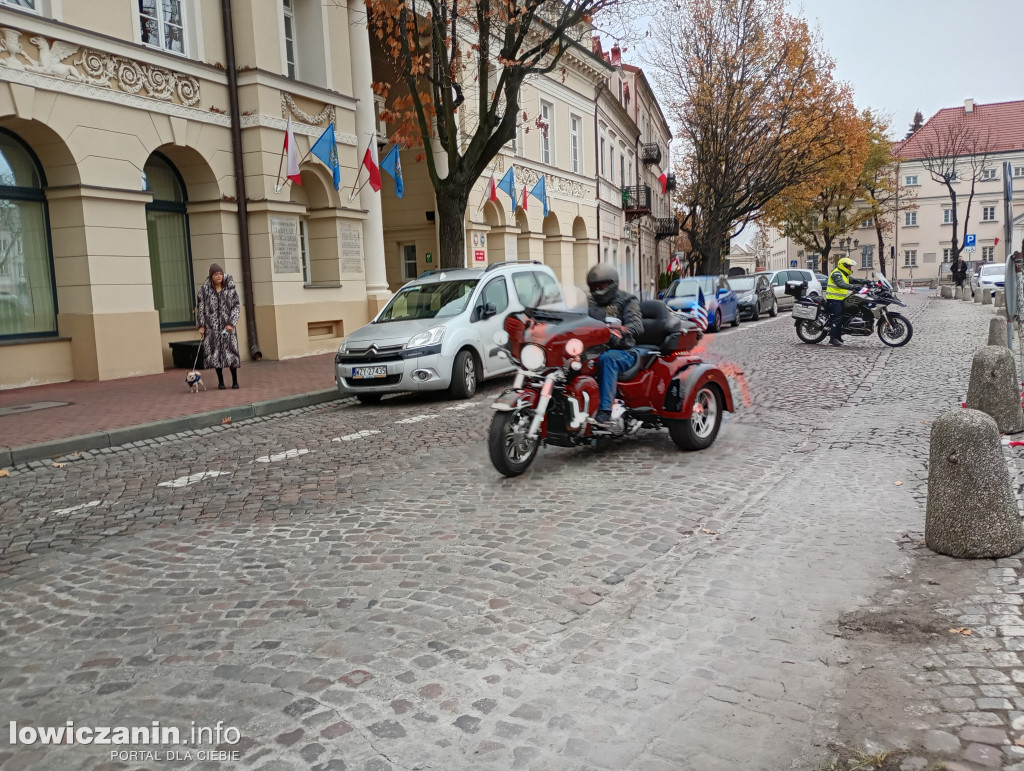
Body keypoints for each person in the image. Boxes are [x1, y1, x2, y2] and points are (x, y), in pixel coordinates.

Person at [586, 264, 644, 427]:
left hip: (623, 351)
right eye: (594, 287)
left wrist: (622, 330)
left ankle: (605, 410)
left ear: (612, 284)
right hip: (594, 350)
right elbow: (575, 317)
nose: (597, 289)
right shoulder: (588, 302)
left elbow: (637, 325)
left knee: (608, 359)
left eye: (601, 286)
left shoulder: (627, 300)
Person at [196, 263, 241, 389]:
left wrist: (231, 323)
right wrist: (201, 325)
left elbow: (236, 307)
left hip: (228, 328)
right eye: (216, 274)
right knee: (215, 355)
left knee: (231, 354)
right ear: (211, 276)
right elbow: (201, 309)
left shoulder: (230, 290)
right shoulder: (204, 291)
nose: (219, 276)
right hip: (212, 329)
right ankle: (220, 381)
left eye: (221, 274)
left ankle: (235, 381)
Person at [825, 256, 869, 347]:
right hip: (834, 299)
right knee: (837, 317)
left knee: (845, 316)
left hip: (841, 299)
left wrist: (867, 281)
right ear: (843, 266)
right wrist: (853, 287)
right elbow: (841, 284)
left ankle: (838, 336)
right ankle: (832, 338)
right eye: (848, 266)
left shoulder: (844, 274)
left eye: (850, 266)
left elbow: (854, 280)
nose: (850, 268)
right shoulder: (837, 273)